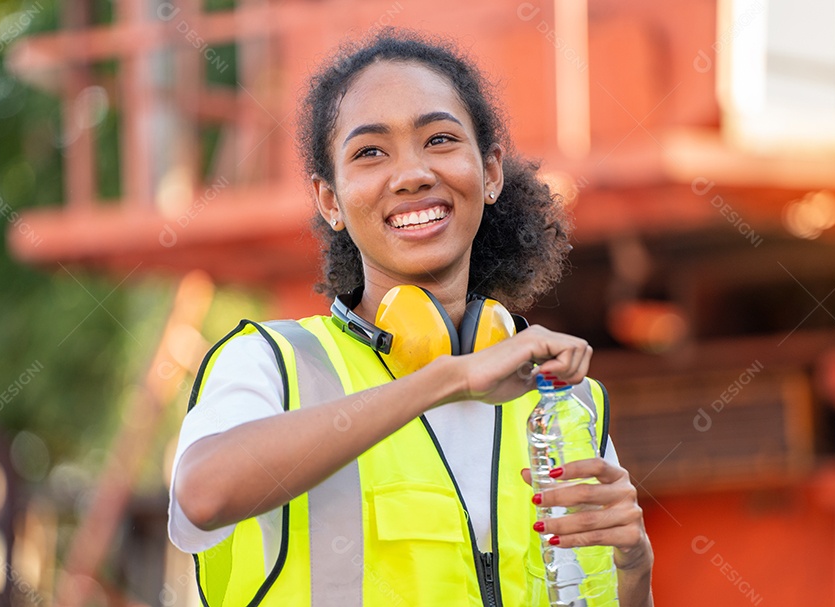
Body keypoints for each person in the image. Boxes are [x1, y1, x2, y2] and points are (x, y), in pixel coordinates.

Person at [168, 29, 654, 606]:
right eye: (370, 152)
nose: (412, 174)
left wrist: (634, 572)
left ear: (491, 172)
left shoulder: (567, 405)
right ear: (330, 201)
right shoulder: (274, 363)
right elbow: (201, 496)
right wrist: (449, 379)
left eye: (440, 139)